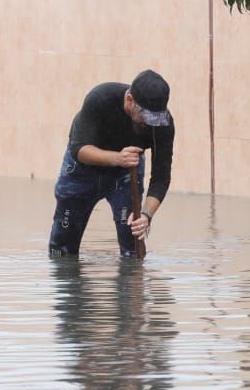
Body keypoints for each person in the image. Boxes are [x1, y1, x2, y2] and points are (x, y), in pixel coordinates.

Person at [48, 69, 176, 258]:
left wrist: (146, 215)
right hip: (81, 170)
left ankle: (131, 283)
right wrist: (117, 158)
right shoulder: (101, 98)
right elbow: (79, 149)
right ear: (130, 100)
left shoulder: (163, 125)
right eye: (145, 117)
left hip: (126, 175)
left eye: (155, 120)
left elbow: (161, 178)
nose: (149, 125)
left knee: (132, 247)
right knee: (61, 250)